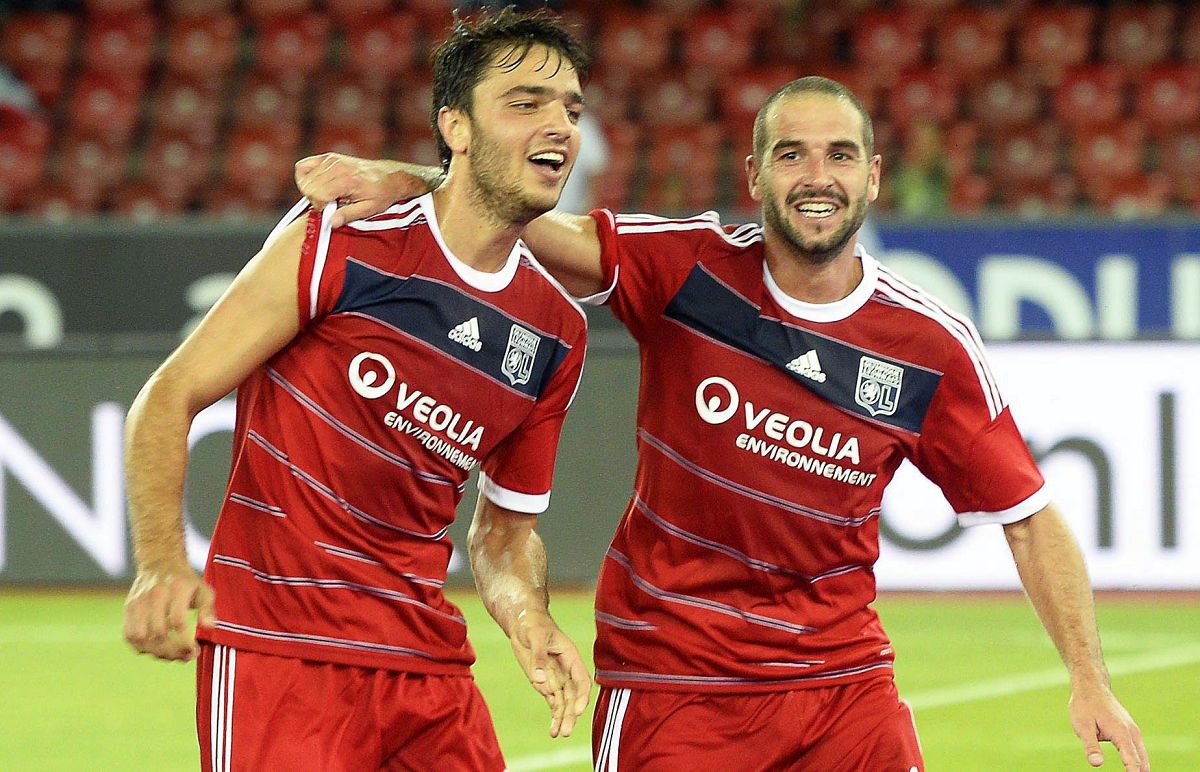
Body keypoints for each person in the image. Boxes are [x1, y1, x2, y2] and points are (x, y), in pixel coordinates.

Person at [295, 77, 1149, 771]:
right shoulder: (687, 269)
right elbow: (524, 219)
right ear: (754, 176)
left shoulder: (930, 347)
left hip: (844, 689)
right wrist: (410, 179)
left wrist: (1091, 679)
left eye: (840, 154)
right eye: (791, 154)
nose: (817, 175)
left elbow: (1029, 520)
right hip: (673, 689)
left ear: (873, 177)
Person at [123, 9, 594, 770]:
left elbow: (503, 538)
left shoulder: (555, 333)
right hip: (280, 652)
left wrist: (529, 618)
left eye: (571, 109)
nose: (559, 126)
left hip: (429, 672)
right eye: (526, 103)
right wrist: (159, 563)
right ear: (456, 126)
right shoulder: (339, 243)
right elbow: (167, 396)